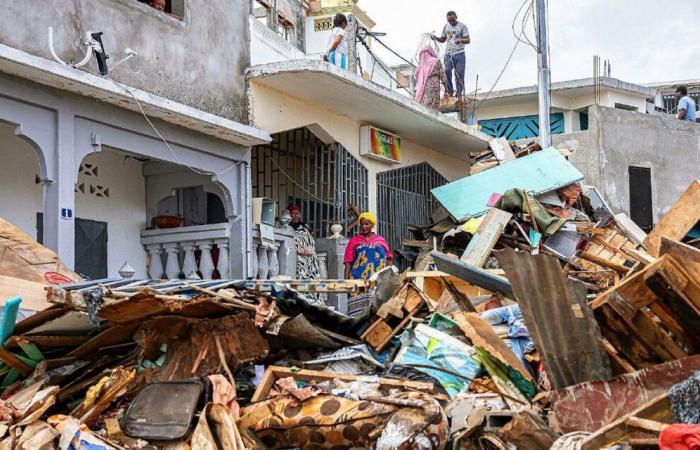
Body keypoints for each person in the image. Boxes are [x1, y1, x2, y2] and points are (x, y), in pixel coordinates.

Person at [288, 205, 326, 305]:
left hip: (311, 262)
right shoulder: (288, 228)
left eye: (297, 213)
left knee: (313, 282)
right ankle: (304, 303)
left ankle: (316, 302)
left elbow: (312, 240)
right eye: (293, 213)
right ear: (289, 215)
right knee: (301, 282)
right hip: (299, 261)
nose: (295, 216)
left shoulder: (305, 226)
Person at [343, 212, 393, 280]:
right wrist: (346, 281)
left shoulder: (381, 240)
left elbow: (389, 258)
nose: (364, 227)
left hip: (379, 279)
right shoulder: (354, 241)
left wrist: (389, 277)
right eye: (362, 224)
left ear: (372, 225)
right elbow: (348, 261)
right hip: (358, 279)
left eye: (366, 224)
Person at [433, 11, 470, 99]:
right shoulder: (446, 26)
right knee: (446, 71)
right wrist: (435, 38)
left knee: (459, 75)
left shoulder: (462, 26)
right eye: (449, 21)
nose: (451, 22)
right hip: (448, 54)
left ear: (456, 17)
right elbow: (443, 39)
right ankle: (449, 91)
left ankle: (459, 94)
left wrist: (460, 40)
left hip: (459, 53)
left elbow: (468, 40)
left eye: (453, 20)